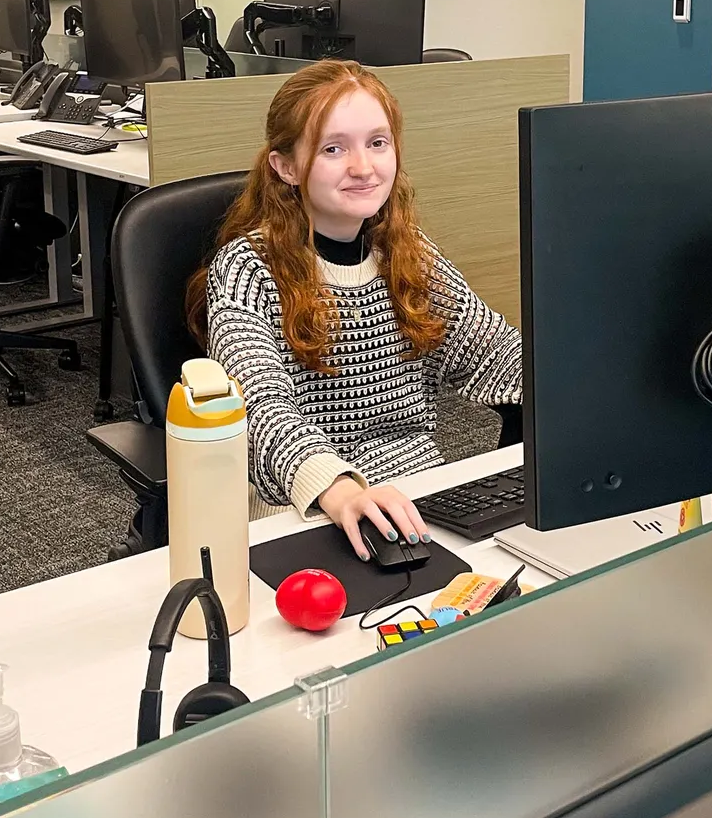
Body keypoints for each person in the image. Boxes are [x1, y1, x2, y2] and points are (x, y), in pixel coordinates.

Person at [185, 59, 522, 559]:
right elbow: (261, 409)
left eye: (378, 143)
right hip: (304, 508)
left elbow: (494, 349)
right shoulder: (249, 268)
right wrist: (340, 489)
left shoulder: (409, 254)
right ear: (286, 166)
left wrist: (578, 381)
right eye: (333, 148)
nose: (364, 167)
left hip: (417, 498)